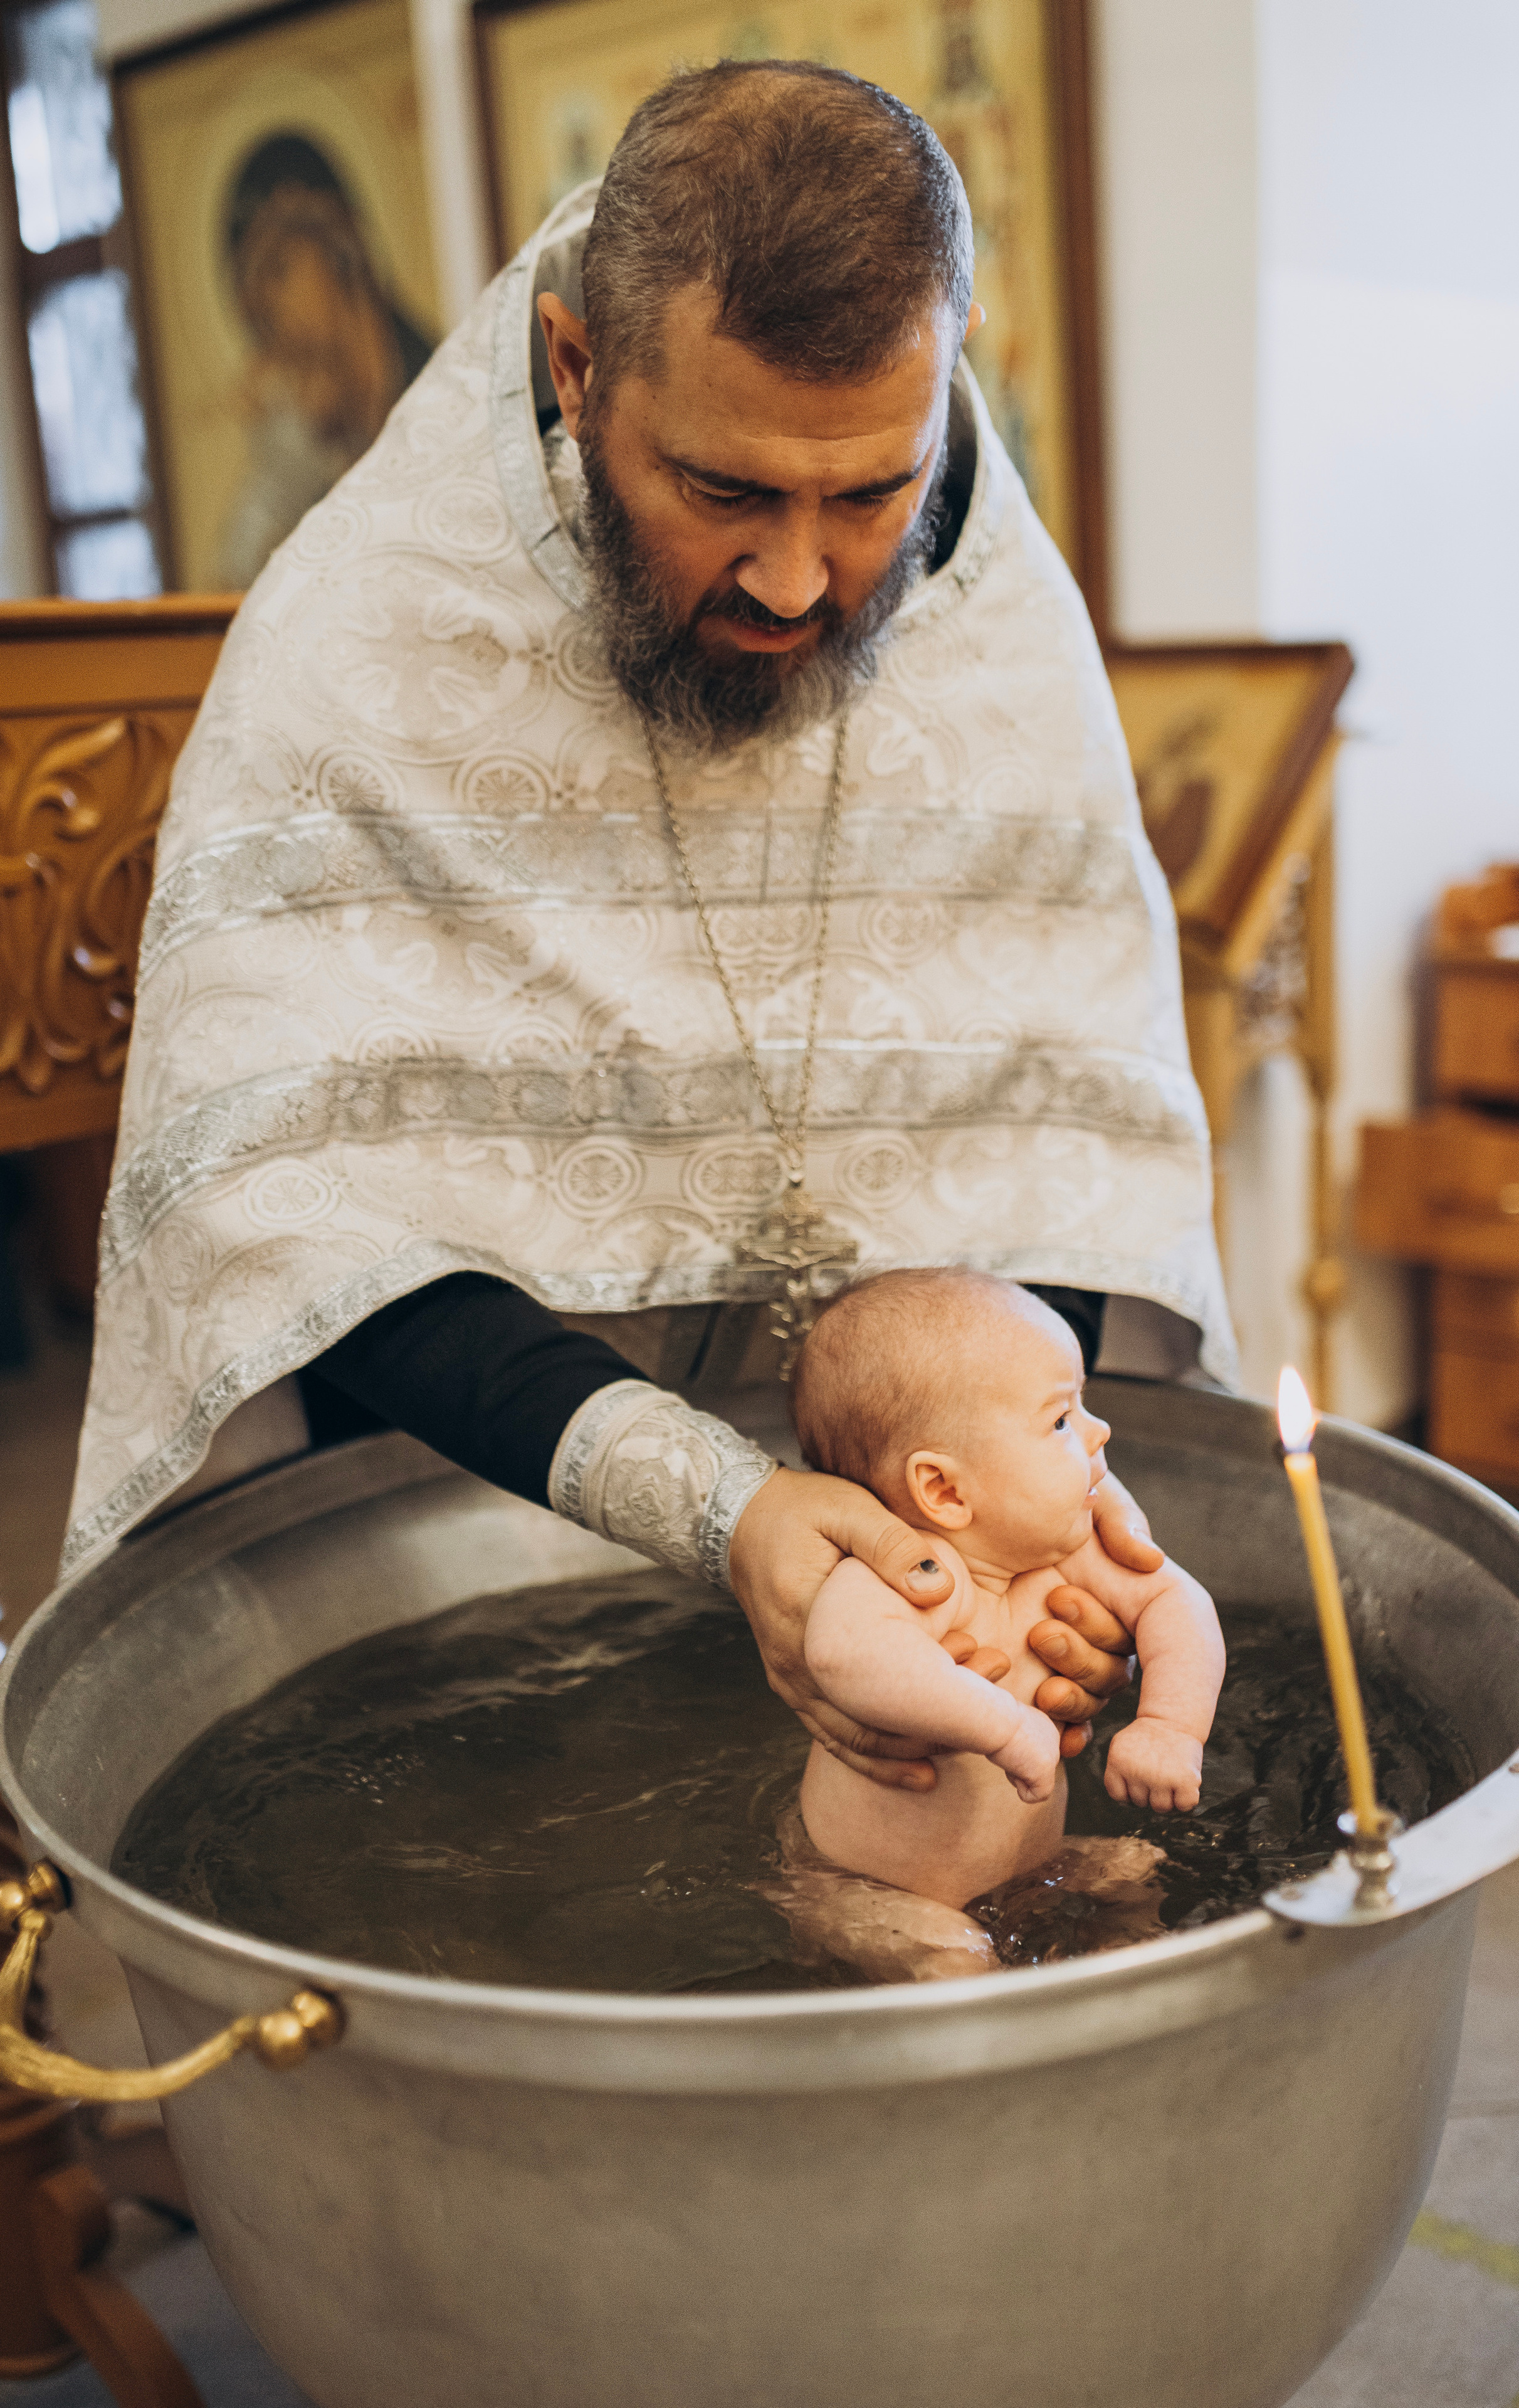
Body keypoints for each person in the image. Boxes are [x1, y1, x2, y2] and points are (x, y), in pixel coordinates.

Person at [69, 63, 1236, 1805]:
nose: (796, 581)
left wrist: (1012, 1506)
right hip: (476, 1552)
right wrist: (721, 1506)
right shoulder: (364, 636)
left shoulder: (993, 623)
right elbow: (290, 1208)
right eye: (724, 490)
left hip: (928, 1575)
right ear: (575, 368)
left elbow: (1059, 1125)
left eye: (868, 494)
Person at [764, 1269, 1223, 1980]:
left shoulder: (1065, 1554)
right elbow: (842, 1654)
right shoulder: (913, 1574)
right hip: (859, 1889)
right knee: (955, 1956)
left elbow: (1178, 1603)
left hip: (1033, 1870)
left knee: (1137, 1867)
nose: (1099, 1431)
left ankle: (1125, 2009)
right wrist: (1004, 1728)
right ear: (944, 1489)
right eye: (1061, 1420)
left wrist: (1169, 1726)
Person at [213, 134, 434, 588]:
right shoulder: (310, 454)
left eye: (277, 271)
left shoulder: (440, 398)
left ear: (343, 253)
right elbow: (233, 576)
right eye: (257, 322)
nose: (272, 353)